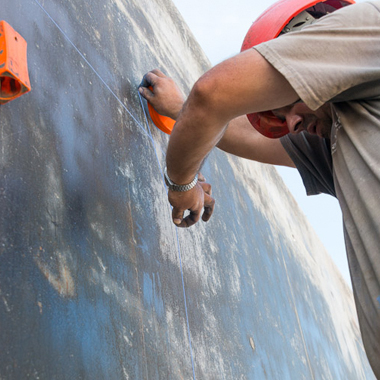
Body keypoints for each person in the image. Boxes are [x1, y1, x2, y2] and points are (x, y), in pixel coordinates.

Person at [139, 0, 380, 376]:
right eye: (280, 117)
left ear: (309, 37)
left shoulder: (370, 28)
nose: (294, 122)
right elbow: (245, 135)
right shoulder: (344, 140)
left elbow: (215, 96)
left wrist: (182, 183)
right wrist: (181, 109)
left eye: (288, 100)